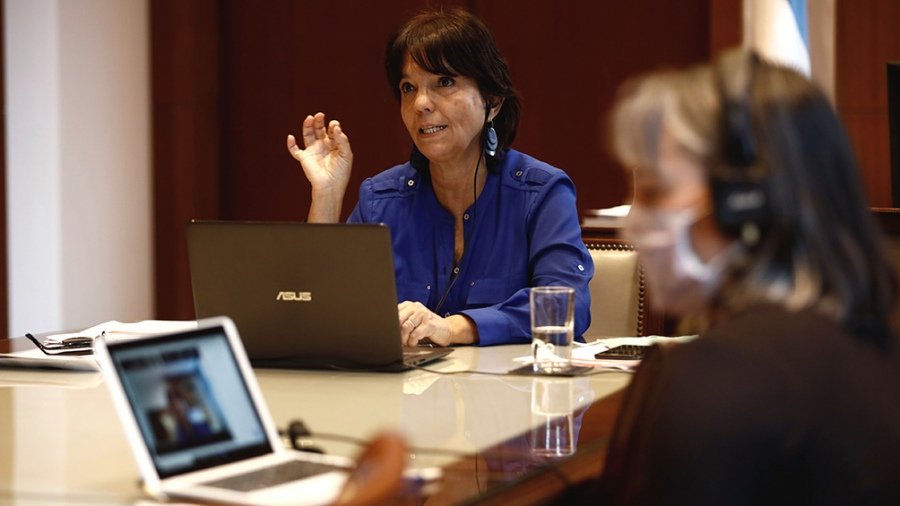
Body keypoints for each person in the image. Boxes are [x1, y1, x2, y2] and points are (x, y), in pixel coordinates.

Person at [560, 49, 900, 504]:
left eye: (655, 192)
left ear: (745, 204)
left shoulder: (725, 374)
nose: (632, 225)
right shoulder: (873, 333)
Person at [286, 8, 593, 347]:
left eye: (444, 82)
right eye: (408, 87)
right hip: (408, 382)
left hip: (509, 381)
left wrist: (453, 328)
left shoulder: (541, 192)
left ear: (492, 102)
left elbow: (568, 306)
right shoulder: (380, 201)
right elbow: (315, 312)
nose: (420, 103)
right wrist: (327, 195)